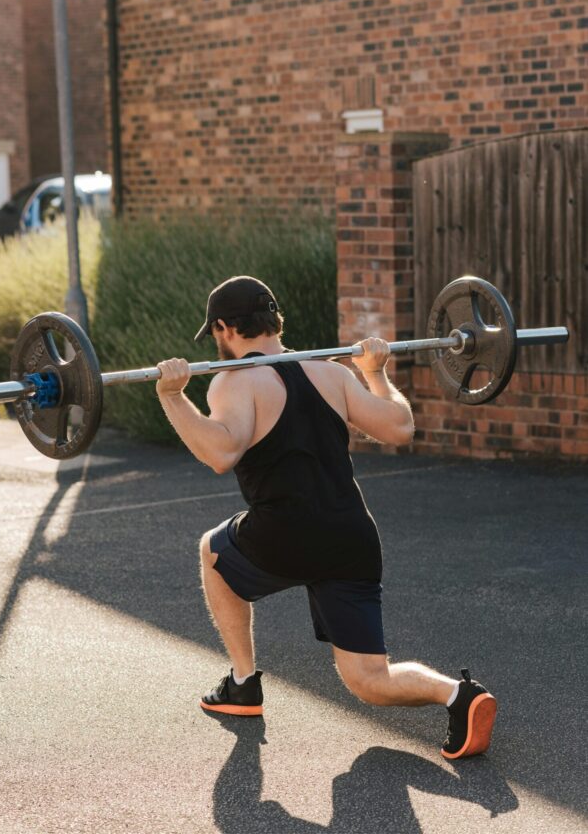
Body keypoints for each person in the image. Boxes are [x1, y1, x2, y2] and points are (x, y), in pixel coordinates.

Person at [155, 275, 497, 760]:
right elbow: (400, 427)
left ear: (226, 328)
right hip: (351, 537)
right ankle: (457, 695)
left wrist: (172, 395)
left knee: (213, 549)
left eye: (215, 333)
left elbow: (221, 452)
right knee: (370, 681)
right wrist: (375, 372)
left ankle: (242, 684)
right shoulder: (331, 372)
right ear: (274, 322)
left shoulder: (235, 380)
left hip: (283, 537)